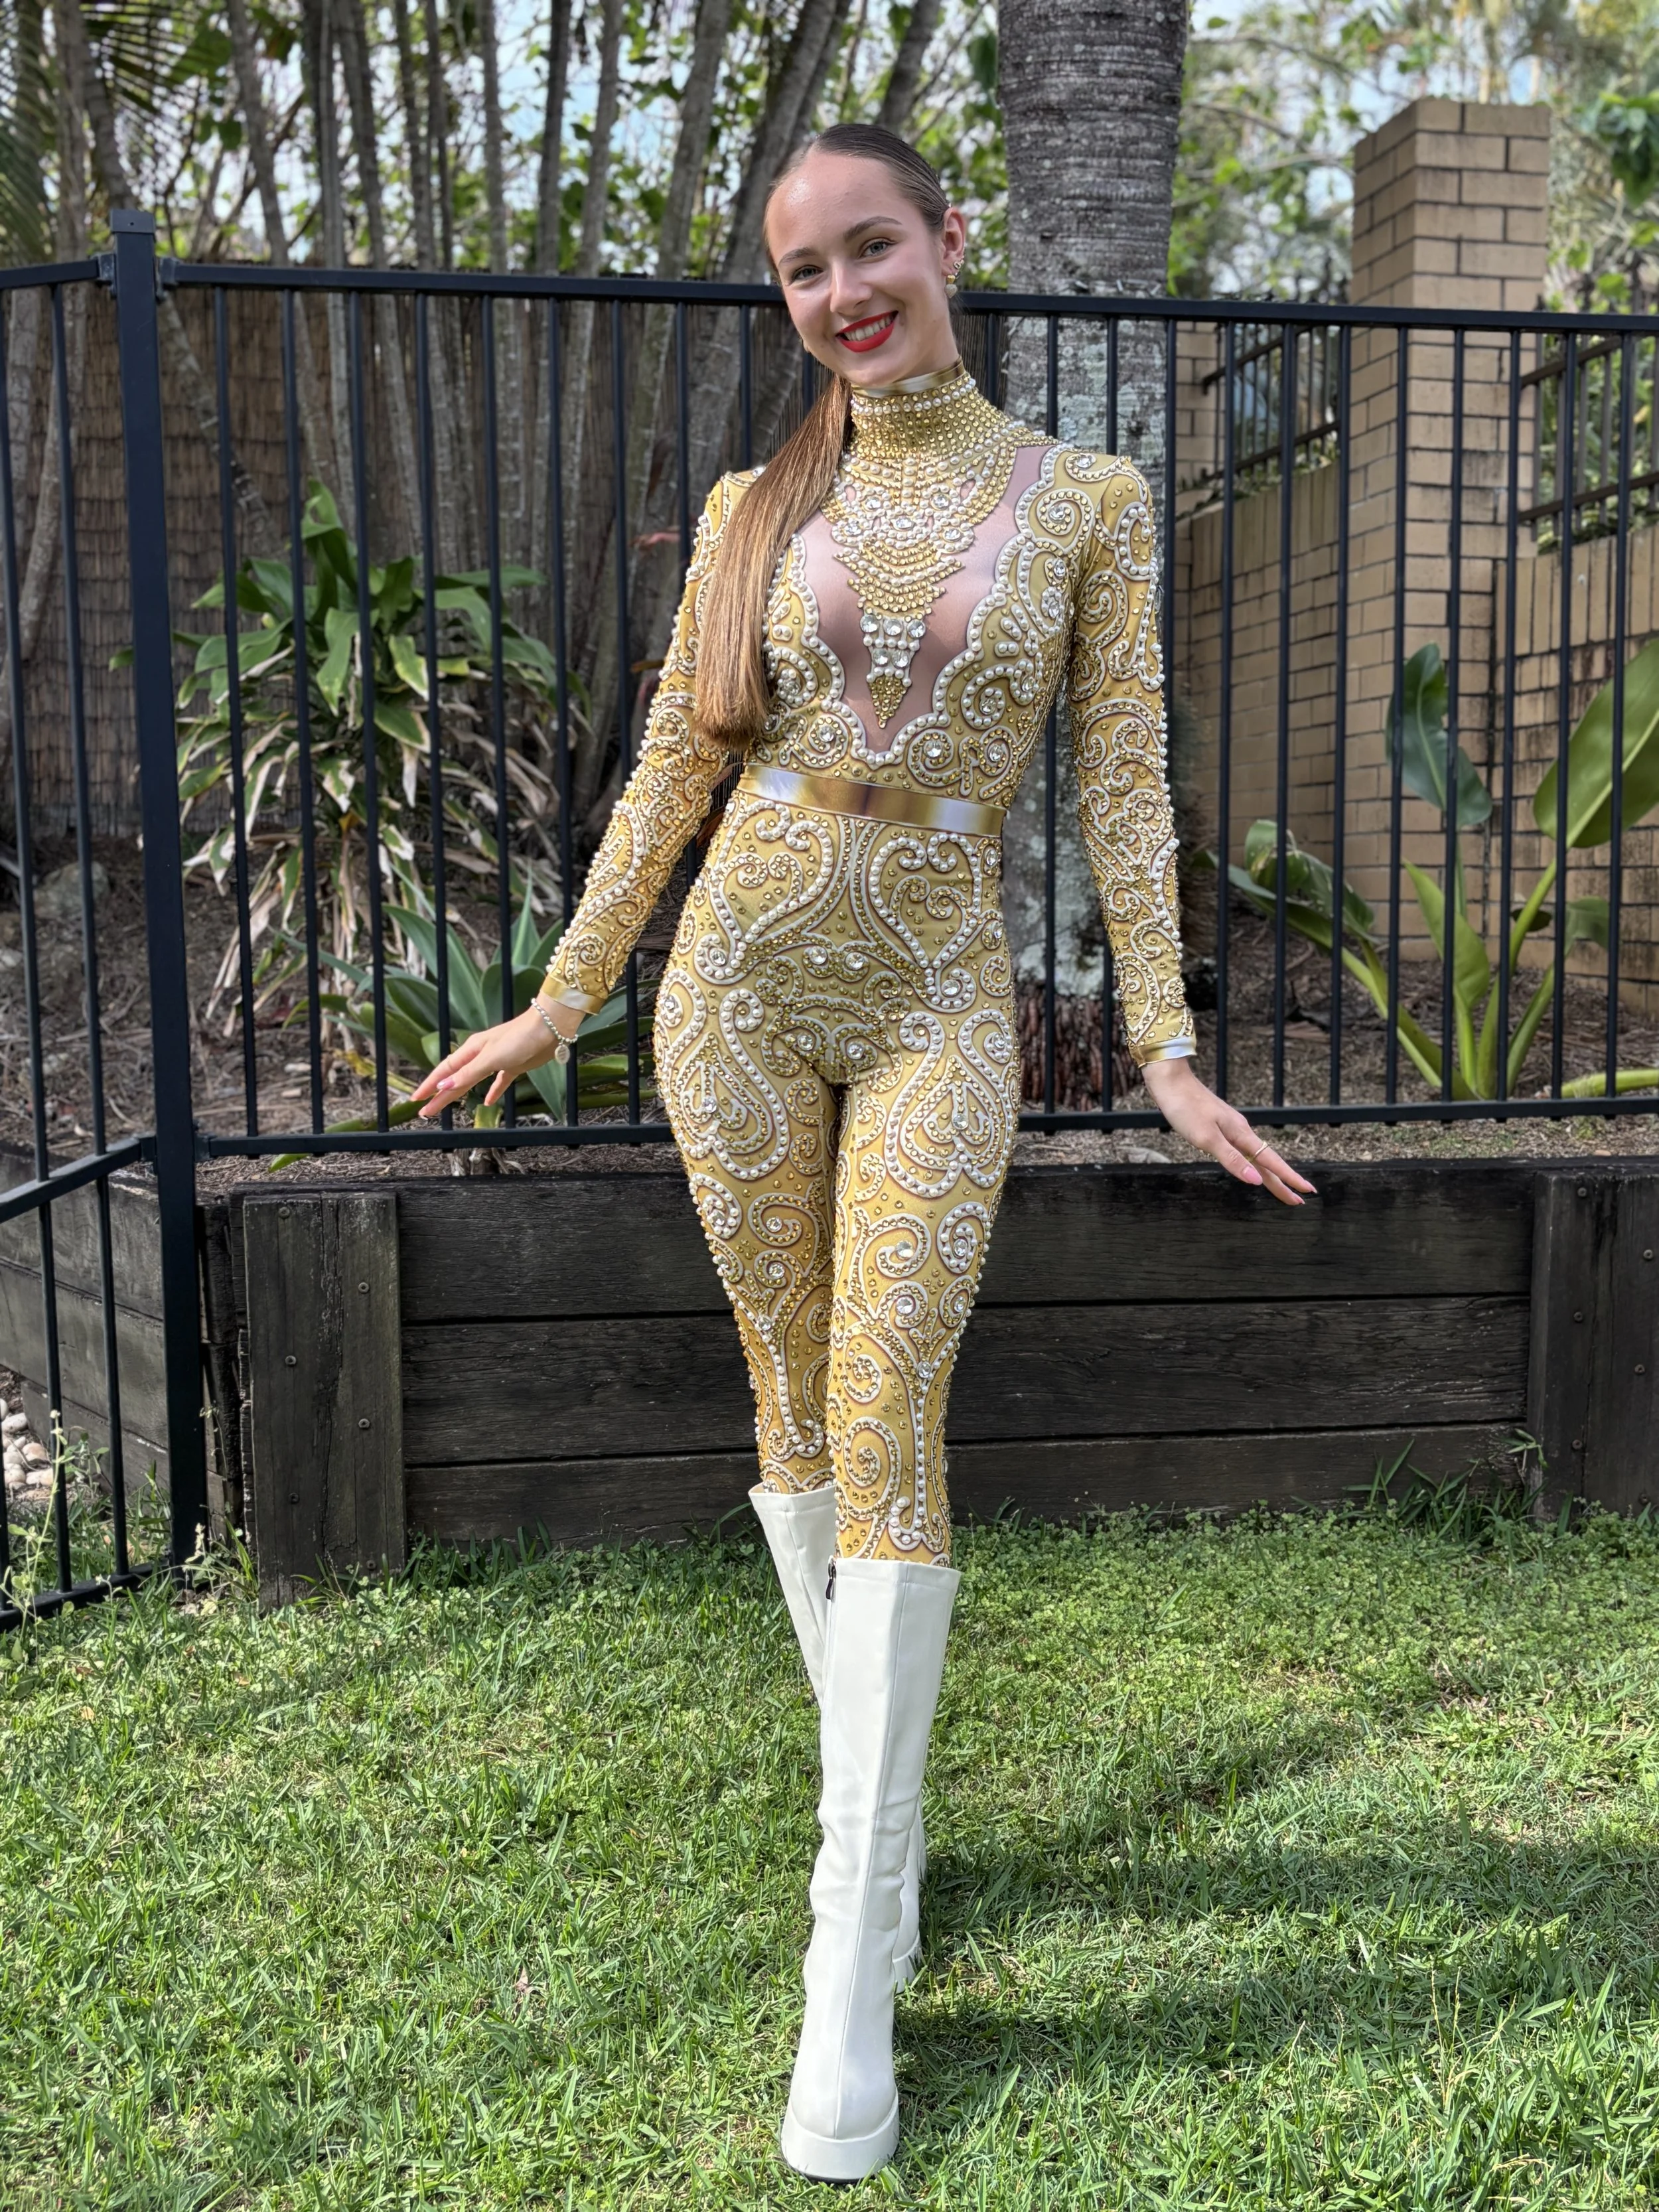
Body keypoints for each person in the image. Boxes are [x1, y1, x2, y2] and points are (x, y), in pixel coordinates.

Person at [413, 121, 1314, 2181]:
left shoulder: (1083, 500)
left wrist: (1166, 1045)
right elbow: (669, 763)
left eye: (869, 247)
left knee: (891, 1409)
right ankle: (883, 1873)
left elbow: (1118, 776)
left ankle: (848, 1956)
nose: (841, 294)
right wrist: (566, 993)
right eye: (804, 271)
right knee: (790, 1404)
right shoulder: (755, 503)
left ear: (946, 240)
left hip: (934, 1000)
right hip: (729, 977)